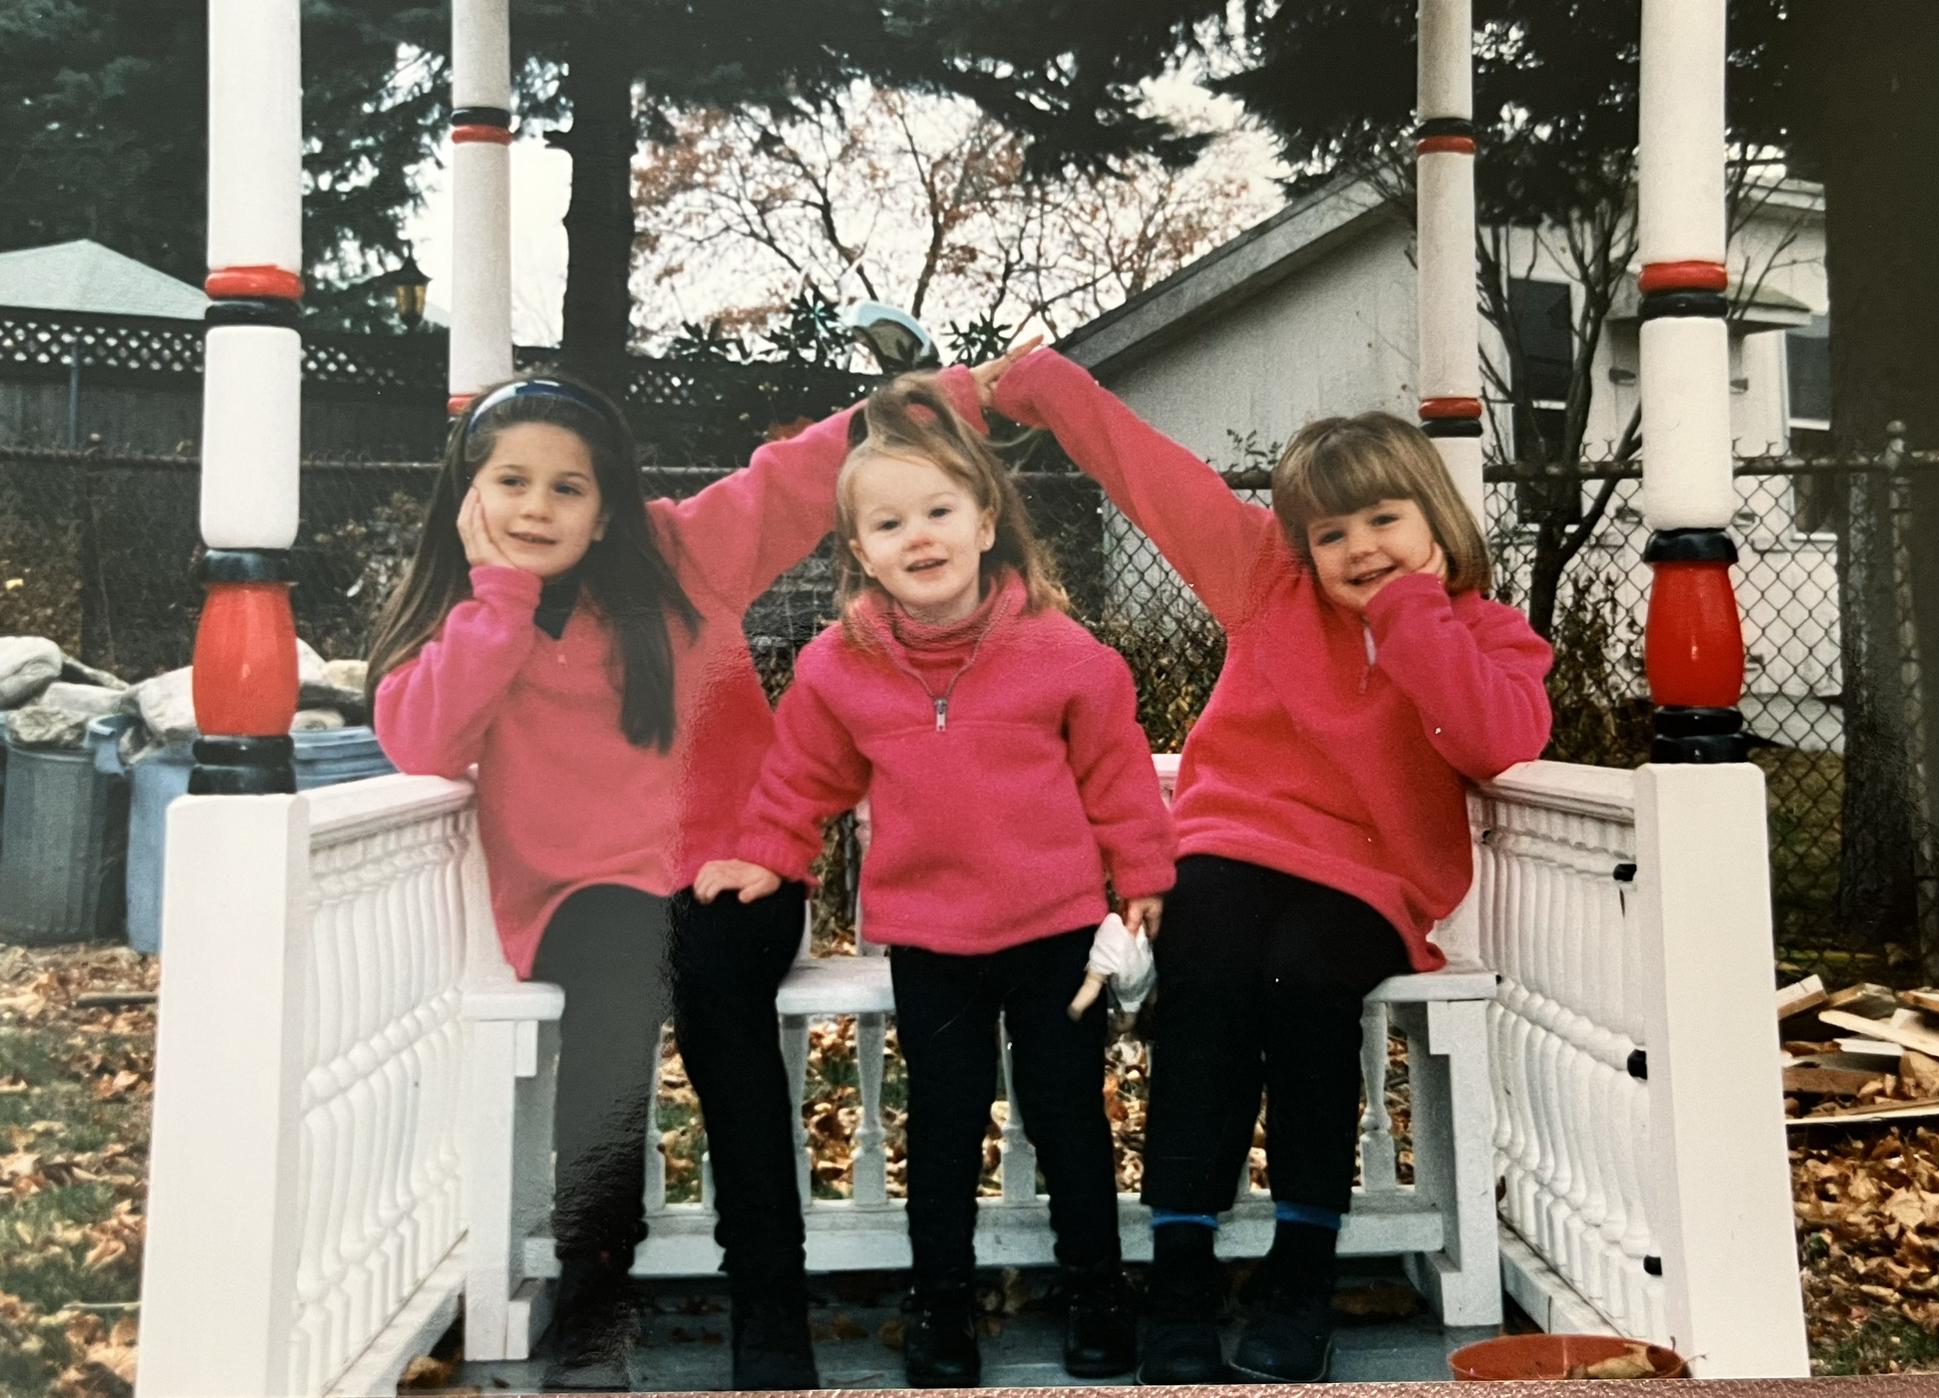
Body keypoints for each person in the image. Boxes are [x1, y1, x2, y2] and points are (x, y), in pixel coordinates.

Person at [366, 363, 991, 1391]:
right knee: (614, 1001)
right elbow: (425, 742)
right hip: (581, 895)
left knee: (714, 998)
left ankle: (768, 1309)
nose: (536, 506)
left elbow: (800, 471)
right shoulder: (466, 614)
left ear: (608, 508)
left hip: (736, 870)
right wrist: (504, 596)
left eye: (567, 487)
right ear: (466, 496)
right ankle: (594, 1301)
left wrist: (967, 390)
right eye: (511, 482)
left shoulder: (681, 553)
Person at [989, 348, 1553, 1384]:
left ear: (1435, 520)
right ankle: (1181, 1279)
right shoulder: (1265, 583)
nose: (1358, 547)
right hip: (1226, 847)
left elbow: (1490, 738)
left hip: (1367, 882)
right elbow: (1156, 480)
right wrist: (1044, 384)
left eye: (1382, 520)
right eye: (1330, 533)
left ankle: (1300, 1281)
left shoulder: (1485, 635)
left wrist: (1407, 614)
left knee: (1301, 986)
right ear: (1300, 545)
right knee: (1205, 980)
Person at [695, 373, 1176, 1387]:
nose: (917, 536)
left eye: (938, 511)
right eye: (887, 521)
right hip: (930, 941)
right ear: (857, 548)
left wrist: (1141, 876)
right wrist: (766, 857)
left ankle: (1096, 1292)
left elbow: (1118, 775)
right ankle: (940, 1306)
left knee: (1065, 1116)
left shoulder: (1063, 655)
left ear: (986, 520)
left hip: (1054, 932)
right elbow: (800, 783)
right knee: (944, 1125)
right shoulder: (839, 668)